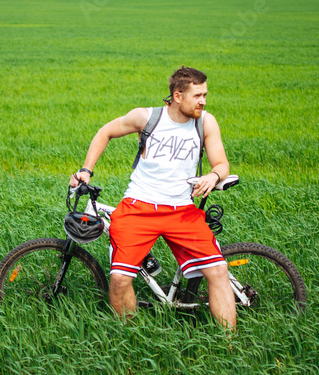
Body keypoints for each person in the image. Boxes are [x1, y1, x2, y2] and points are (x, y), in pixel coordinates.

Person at [69, 66, 236, 331]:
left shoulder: (206, 122)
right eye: (198, 95)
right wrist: (86, 171)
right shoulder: (146, 117)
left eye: (205, 94)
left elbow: (222, 163)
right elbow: (105, 132)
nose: (203, 101)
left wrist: (214, 177)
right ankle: (131, 337)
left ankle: (230, 346)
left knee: (218, 271)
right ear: (178, 96)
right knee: (120, 279)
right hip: (138, 207)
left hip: (182, 210)